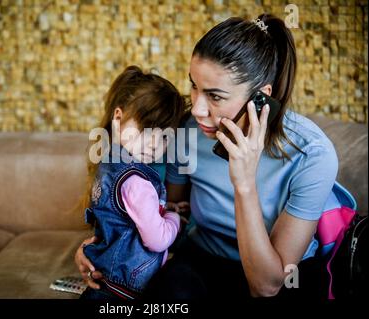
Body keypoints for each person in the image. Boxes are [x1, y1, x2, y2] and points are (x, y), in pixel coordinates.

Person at [76, 14, 356, 299]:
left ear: (261, 97)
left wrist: (244, 183)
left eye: (215, 96)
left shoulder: (312, 155)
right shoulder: (187, 130)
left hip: (279, 277)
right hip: (203, 261)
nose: (197, 109)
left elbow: (267, 286)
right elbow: (165, 209)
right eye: (194, 86)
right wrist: (101, 250)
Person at [77, 65, 187, 300]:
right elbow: (157, 239)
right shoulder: (137, 180)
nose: (155, 144)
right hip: (129, 286)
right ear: (118, 117)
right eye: (147, 130)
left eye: (165, 136)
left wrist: (164, 210)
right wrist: (174, 219)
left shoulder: (107, 164)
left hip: (109, 277)